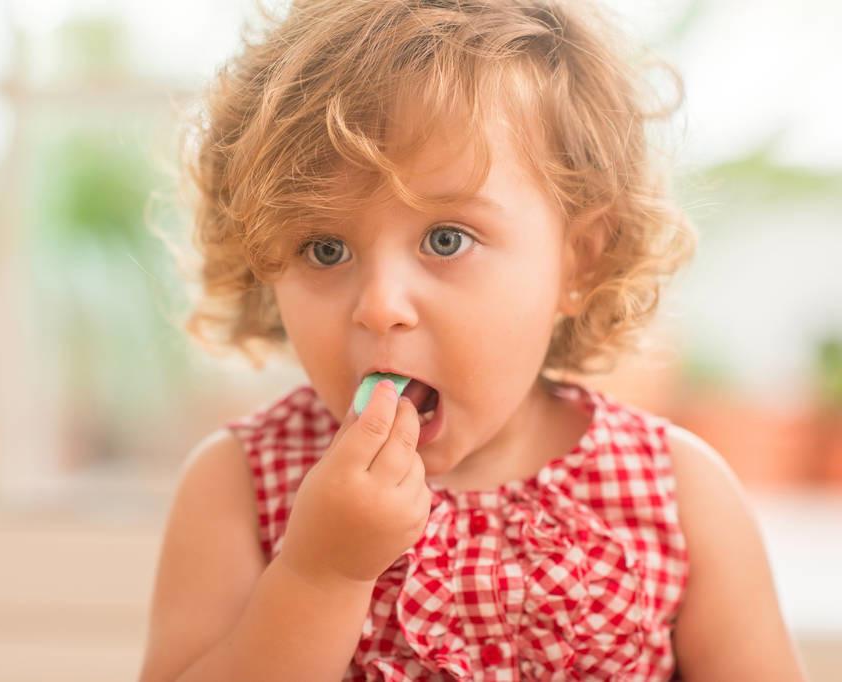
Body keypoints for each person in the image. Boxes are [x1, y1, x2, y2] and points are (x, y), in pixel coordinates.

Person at [139, 0, 807, 679]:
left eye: (446, 239)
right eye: (325, 248)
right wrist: (321, 573)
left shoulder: (680, 492)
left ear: (577, 261)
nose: (380, 307)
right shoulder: (238, 486)